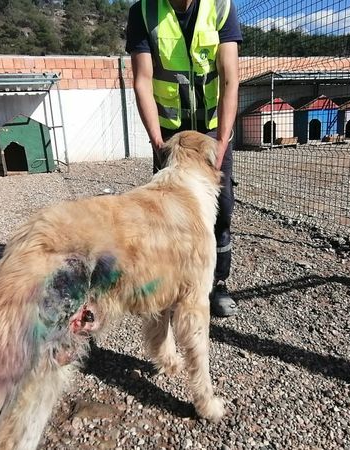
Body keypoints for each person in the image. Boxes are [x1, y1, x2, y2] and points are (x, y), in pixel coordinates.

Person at [125, 0, 242, 317]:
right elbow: (142, 81)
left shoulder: (221, 8)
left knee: (221, 211)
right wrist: (158, 143)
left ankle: (217, 284)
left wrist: (222, 141)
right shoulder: (144, 12)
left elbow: (230, 78)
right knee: (168, 213)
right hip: (170, 134)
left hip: (212, 133)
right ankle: (173, 285)